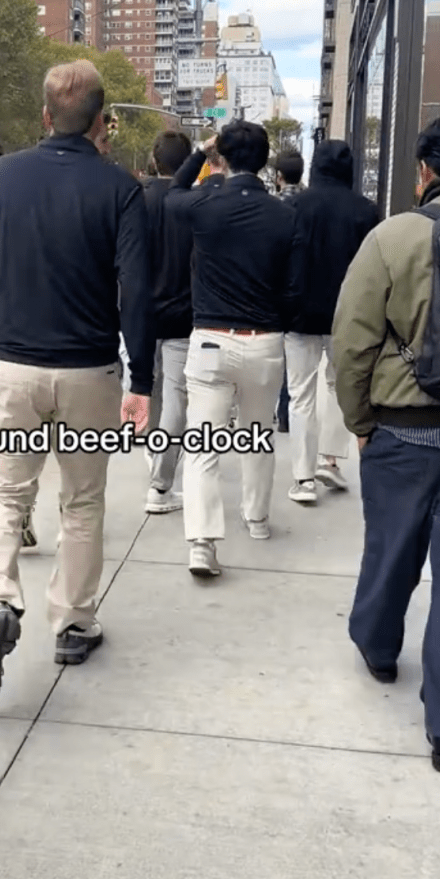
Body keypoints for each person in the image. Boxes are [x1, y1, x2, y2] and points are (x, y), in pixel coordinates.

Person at [0, 59, 155, 707]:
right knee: (82, 502)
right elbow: (138, 292)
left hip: (12, 366)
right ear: (101, 120)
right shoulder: (119, 189)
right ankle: (72, 621)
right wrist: (143, 378)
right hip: (90, 371)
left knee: (4, 494)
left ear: (45, 116)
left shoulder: (5, 177)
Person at [332, 113, 440, 775]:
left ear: (426, 171)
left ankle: (380, 648)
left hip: (404, 432)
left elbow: (351, 341)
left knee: (391, 552)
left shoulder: (395, 237)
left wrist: (359, 420)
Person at [167, 122, 297, 575]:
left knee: (203, 442)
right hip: (264, 339)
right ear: (264, 160)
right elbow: (292, 285)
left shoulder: (204, 203)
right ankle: (257, 517)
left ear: (222, 155)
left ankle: (202, 541)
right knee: (258, 434)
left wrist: (200, 154)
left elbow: (172, 194)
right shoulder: (284, 215)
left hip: (210, 339)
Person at [284, 141, 379, 505]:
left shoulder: (295, 205)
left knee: (300, 393)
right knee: (340, 386)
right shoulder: (365, 211)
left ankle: (303, 478)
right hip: (347, 315)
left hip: (299, 312)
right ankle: (330, 460)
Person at [142, 130, 195, 513]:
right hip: (182, 314)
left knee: (149, 387)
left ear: (154, 159)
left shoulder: (134, 200)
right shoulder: (192, 204)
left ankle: (152, 447)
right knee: (176, 396)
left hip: (140, 315)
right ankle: (161, 484)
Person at [273, 149, 305, 433]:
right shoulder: (307, 205)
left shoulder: (273, 208)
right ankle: (285, 413)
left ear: (278, 176)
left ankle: (281, 410)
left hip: (273, 291)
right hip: (299, 292)